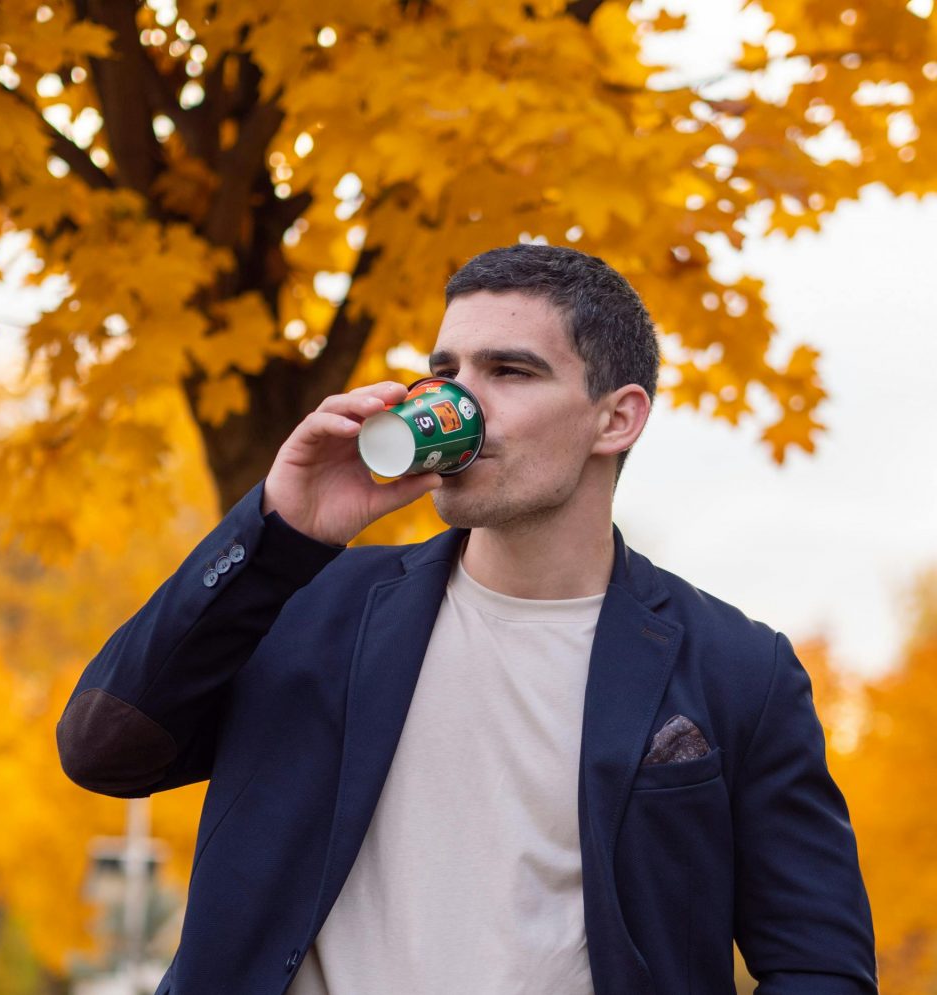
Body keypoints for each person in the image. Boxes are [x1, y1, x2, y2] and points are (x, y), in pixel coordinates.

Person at [57, 244, 878, 995]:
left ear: (617, 417)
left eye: (509, 371)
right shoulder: (309, 601)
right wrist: (277, 526)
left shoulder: (739, 670)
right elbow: (104, 750)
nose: (458, 399)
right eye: (444, 367)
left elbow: (820, 964)